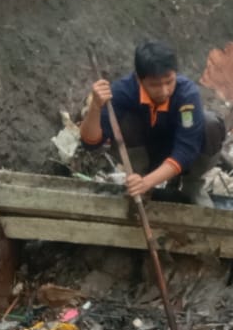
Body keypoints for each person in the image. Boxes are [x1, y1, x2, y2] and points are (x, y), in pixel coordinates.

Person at [80, 39, 225, 206]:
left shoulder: (187, 95)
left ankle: (191, 185)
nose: (164, 91)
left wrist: (149, 182)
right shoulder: (122, 92)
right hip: (145, 154)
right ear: (139, 80)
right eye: (155, 85)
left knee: (210, 124)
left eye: (169, 81)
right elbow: (90, 143)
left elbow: (186, 150)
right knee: (126, 120)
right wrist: (95, 107)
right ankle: (139, 181)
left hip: (180, 157)